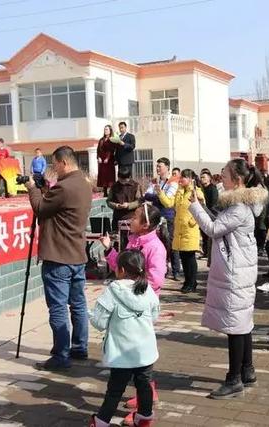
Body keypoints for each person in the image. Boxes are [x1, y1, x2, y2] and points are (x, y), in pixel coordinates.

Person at [188, 159, 268, 399]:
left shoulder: (239, 208)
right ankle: (247, 370)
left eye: (224, 175)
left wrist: (194, 206)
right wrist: (202, 205)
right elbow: (220, 222)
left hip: (235, 272)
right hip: (239, 270)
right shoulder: (243, 204)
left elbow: (213, 229)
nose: (220, 178)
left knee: (236, 325)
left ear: (238, 180)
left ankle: (233, 379)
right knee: (243, 322)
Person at [24, 146, 92, 371]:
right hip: (77, 255)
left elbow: (41, 209)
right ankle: (80, 347)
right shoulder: (83, 183)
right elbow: (58, 208)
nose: (53, 169)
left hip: (58, 257)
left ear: (64, 162)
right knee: (79, 304)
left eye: (54, 164)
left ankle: (60, 356)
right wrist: (45, 189)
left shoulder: (64, 187)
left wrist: (32, 188)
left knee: (58, 307)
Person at [99, 204, 166, 424]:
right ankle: (144, 400)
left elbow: (156, 279)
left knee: (138, 360)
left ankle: (144, 399)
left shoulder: (156, 247)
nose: (130, 220)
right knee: (137, 360)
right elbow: (122, 268)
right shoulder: (133, 240)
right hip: (126, 307)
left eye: (135, 217)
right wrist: (110, 250)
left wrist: (136, 288)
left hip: (141, 307)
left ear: (146, 224)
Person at [89, 250, 159, 427]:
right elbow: (154, 316)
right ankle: (144, 418)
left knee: (115, 390)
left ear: (120, 270)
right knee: (144, 386)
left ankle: (102, 421)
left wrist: (89, 314)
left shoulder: (113, 290)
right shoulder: (148, 289)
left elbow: (99, 322)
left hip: (121, 352)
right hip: (144, 351)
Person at [157, 169, 204, 293]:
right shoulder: (179, 191)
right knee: (183, 256)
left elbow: (202, 208)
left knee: (190, 257)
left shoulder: (196, 192)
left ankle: (192, 282)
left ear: (190, 179)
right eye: (181, 177)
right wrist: (160, 193)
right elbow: (168, 203)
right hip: (179, 229)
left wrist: (193, 221)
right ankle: (187, 281)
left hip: (190, 229)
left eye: (183, 177)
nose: (181, 179)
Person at [144, 157, 181, 281]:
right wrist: (157, 196)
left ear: (167, 167)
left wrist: (156, 196)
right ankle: (162, 268)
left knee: (171, 243)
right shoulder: (155, 181)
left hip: (169, 216)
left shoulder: (174, 181)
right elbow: (147, 195)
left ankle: (176, 270)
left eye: (160, 166)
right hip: (156, 216)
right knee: (158, 243)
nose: (157, 168)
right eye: (157, 166)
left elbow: (169, 199)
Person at [107, 165, 143, 237]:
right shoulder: (114, 186)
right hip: (117, 217)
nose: (122, 182)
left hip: (132, 218)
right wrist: (116, 205)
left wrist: (129, 205)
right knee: (118, 242)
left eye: (124, 180)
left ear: (129, 177)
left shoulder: (136, 186)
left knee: (131, 240)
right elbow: (108, 201)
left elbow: (140, 201)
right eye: (121, 180)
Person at [199, 170, 219, 261]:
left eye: (204, 177)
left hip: (210, 214)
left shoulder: (213, 189)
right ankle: (205, 252)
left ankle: (209, 253)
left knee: (208, 235)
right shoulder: (201, 189)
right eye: (201, 177)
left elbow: (213, 204)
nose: (202, 179)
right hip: (203, 213)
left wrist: (209, 213)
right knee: (204, 235)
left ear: (209, 178)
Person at [97, 125, 116, 195]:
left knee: (110, 176)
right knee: (103, 176)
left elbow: (112, 150)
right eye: (105, 129)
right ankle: (105, 192)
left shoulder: (112, 139)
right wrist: (98, 157)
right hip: (101, 161)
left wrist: (107, 158)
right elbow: (98, 150)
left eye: (107, 129)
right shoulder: (101, 140)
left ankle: (111, 193)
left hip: (109, 160)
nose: (105, 131)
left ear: (110, 130)